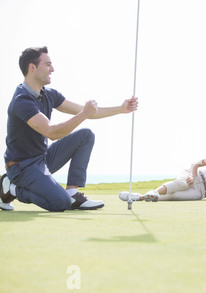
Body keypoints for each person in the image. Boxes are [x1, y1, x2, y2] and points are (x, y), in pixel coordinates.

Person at [0, 46, 138, 212]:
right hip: (21, 167)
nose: (53, 69)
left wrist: (121, 109)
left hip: (42, 159)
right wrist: (84, 114)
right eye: (48, 65)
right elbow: (52, 132)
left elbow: (87, 112)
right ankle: (11, 188)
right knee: (60, 203)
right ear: (32, 67)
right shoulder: (22, 101)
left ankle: (72, 192)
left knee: (85, 135)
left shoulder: (49, 94)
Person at [119, 147, 206, 202]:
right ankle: (153, 191)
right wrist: (193, 175)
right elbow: (196, 164)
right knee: (182, 183)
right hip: (196, 176)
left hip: (201, 193)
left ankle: (139, 197)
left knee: (175, 197)